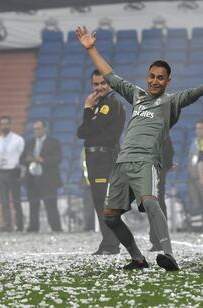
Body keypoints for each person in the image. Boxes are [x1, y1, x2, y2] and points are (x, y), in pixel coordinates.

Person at [75, 25, 203, 271]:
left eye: (161, 78)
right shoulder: (136, 95)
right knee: (109, 217)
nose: (155, 81)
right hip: (122, 162)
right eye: (152, 76)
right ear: (147, 76)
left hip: (146, 161)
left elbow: (193, 94)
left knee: (150, 202)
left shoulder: (170, 101)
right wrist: (91, 49)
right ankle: (137, 258)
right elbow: (110, 76)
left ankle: (168, 254)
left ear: (168, 81)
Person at [77, 69, 126, 255]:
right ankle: (108, 243)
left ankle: (111, 244)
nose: (98, 88)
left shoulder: (110, 103)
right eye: (95, 84)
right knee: (99, 201)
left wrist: (87, 109)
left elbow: (90, 128)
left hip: (104, 158)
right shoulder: (100, 104)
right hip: (95, 158)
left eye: (102, 83)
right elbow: (81, 132)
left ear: (110, 84)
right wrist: (91, 113)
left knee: (104, 201)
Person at [20, 120, 63, 232]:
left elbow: (58, 159)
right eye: (34, 129)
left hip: (48, 180)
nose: (36, 131)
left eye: (38, 128)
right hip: (32, 180)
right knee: (33, 206)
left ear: (45, 129)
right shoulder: (29, 143)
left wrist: (42, 160)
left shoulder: (54, 142)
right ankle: (33, 228)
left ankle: (56, 228)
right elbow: (21, 159)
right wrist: (28, 160)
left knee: (51, 205)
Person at [0, 116, 24, 232]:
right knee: (4, 201)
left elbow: (22, 157)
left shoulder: (18, 140)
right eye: (2, 124)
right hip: (1, 172)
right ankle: (7, 224)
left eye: (6, 123)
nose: (4, 126)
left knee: (16, 200)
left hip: (13, 171)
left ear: (10, 125)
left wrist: (21, 173)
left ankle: (19, 225)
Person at [148, 136, 174, 251]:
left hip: (153, 167)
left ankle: (159, 240)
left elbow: (168, 149)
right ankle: (158, 240)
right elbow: (169, 149)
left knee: (154, 203)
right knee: (154, 202)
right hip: (154, 167)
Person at [187, 118, 203, 230]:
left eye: (200, 128)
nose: (197, 130)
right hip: (192, 178)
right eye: (196, 128)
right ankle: (198, 229)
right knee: (195, 204)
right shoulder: (195, 141)